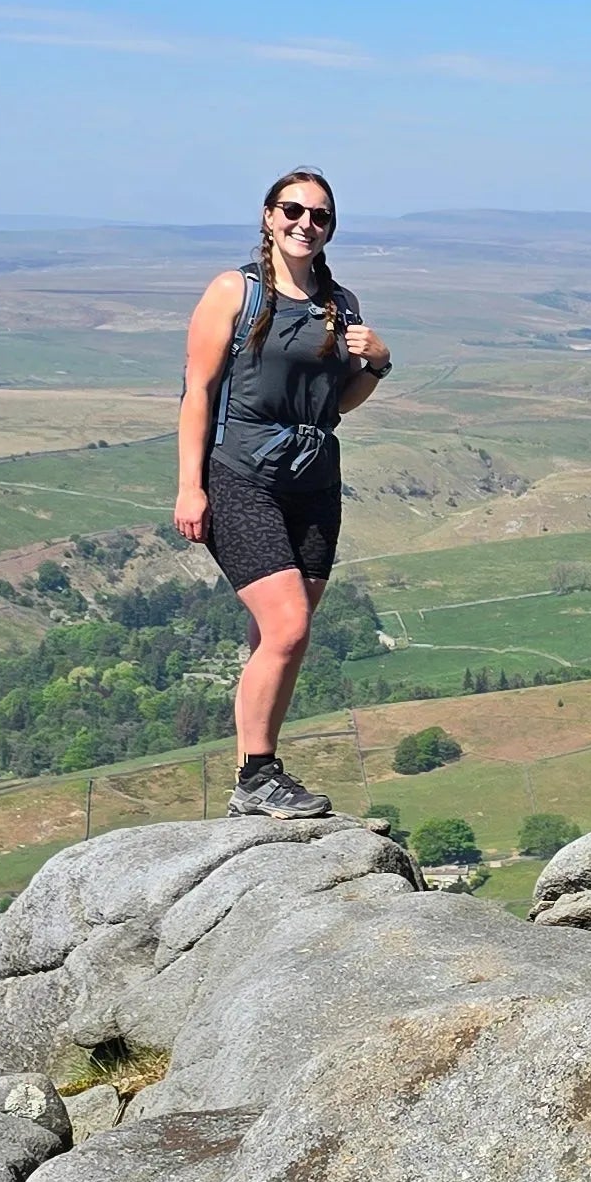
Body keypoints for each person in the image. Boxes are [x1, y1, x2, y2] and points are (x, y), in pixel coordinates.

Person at [175, 168, 389, 817]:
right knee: (288, 625)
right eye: (292, 210)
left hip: (314, 481)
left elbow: (339, 402)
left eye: (319, 216)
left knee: (280, 633)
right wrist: (190, 486)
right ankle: (257, 776)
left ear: (330, 228)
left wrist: (376, 363)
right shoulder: (231, 293)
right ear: (268, 217)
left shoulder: (340, 303)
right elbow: (198, 393)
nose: (305, 224)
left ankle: (255, 770)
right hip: (239, 476)